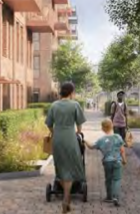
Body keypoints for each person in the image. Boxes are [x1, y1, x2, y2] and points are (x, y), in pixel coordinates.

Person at [45, 82, 86, 213]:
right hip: (70, 137)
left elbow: (49, 124)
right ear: (71, 92)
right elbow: (79, 128)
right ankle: (66, 199)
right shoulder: (75, 105)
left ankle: (66, 198)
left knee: (61, 167)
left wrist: (54, 132)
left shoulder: (54, 105)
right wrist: (76, 132)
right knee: (72, 166)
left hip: (57, 138)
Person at [90, 118, 127, 206]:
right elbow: (122, 150)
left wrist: (85, 141)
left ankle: (109, 197)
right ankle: (116, 197)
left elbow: (92, 146)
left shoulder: (102, 139)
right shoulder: (118, 137)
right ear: (112, 126)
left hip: (107, 163)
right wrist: (124, 160)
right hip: (117, 161)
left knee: (108, 180)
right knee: (116, 180)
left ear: (102, 128)